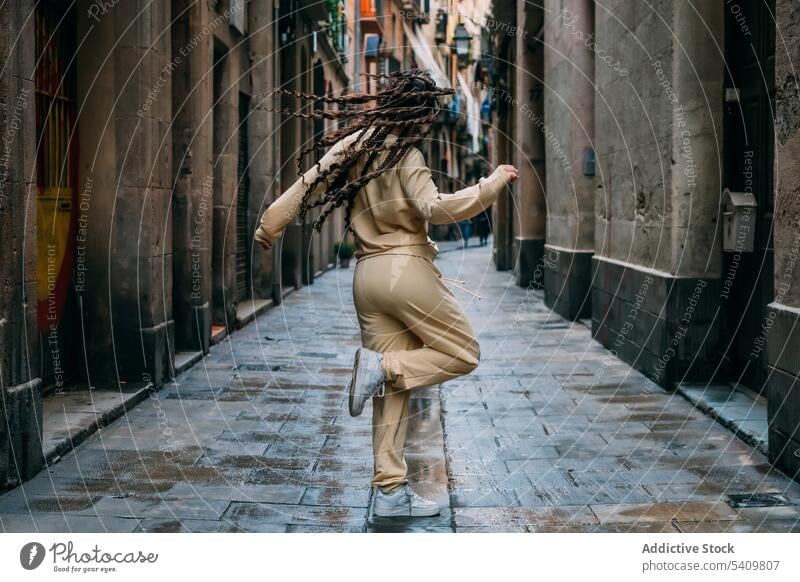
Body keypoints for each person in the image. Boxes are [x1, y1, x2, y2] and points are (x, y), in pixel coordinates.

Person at [254, 70, 518, 518]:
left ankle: (390, 493)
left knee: (390, 390)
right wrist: (489, 184)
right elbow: (432, 208)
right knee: (464, 352)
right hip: (404, 272)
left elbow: (307, 183)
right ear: (418, 114)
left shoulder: (356, 145)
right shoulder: (406, 153)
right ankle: (384, 367)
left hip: (366, 278)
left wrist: (269, 226)